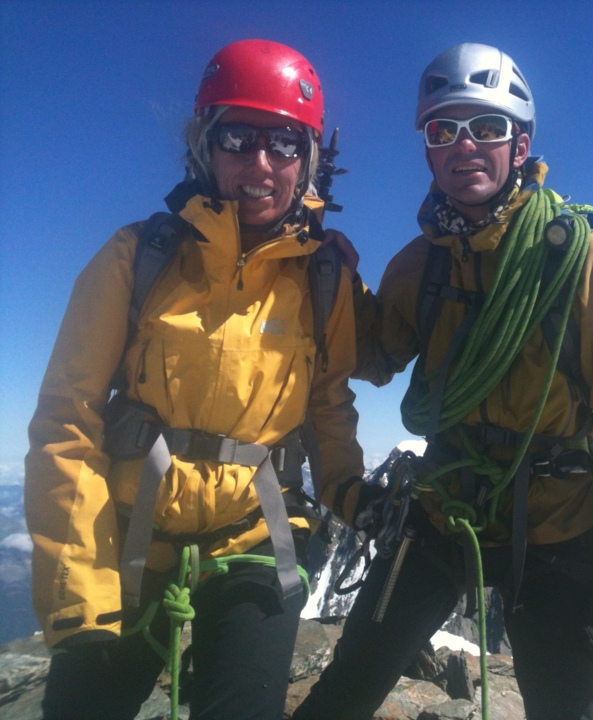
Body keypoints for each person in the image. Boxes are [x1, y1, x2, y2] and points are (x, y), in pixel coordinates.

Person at [295, 43, 593, 720]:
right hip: (445, 508)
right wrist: (335, 282)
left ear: (521, 142)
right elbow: (379, 356)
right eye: (443, 130)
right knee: (347, 689)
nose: (464, 145)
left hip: (556, 528)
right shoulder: (420, 265)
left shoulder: (590, 264)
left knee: (565, 711)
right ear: (427, 149)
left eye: (488, 127)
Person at [24, 39, 367, 720]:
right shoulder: (136, 257)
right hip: (128, 537)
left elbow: (329, 405)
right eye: (239, 137)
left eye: (285, 144)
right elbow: (67, 421)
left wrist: (356, 493)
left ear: (311, 160)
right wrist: (81, 601)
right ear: (204, 145)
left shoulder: (324, 277)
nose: (261, 164)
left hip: (253, 535)